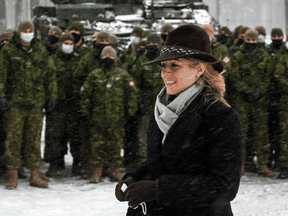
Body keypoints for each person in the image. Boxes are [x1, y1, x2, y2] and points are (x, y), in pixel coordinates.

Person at [115, 24, 243, 216]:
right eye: (163, 65)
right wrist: (133, 177)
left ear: (199, 69)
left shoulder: (219, 116)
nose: (166, 73)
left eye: (175, 65)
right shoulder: (162, 108)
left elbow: (224, 186)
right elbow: (161, 160)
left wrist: (160, 190)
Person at [0, 20, 57, 189]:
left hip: (35, 102)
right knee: (13, 140)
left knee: (33, 140)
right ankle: (13, 174)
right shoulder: (9, 51)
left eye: (29, 30)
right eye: (24, 31)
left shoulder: (40, 50)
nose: (27, 33)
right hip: (15, 104)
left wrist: (52, 95)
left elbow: (50, 74)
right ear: (19, 33)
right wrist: (1, 94)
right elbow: (1, 74)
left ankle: (35, 173)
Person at [80, 46, 137, 183]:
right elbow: (85, 94)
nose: (108, 58)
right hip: (98, 118)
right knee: (96, 145)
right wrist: (85, 111)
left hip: (117, 118)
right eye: (105, 55)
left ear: (115, 58)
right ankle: (97, 170)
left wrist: (131, 111)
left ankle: (114, 169)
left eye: (111, 56)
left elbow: (132, 94)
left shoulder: (122, 75)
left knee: (116, 145)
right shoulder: (95, 75)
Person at [228, 29, 274, 177]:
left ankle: (262, 164)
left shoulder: (264, 56)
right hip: (242, 101)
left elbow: (269, 76)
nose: (251, 44)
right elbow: (234, 77)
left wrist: (260, 91)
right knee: (241, 134)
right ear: (245, 40)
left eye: (254, 41)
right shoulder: (238, 56)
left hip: (260, 101)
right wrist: (247, 91)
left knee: (261, 134)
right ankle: (240, 164)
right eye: (249, 41)